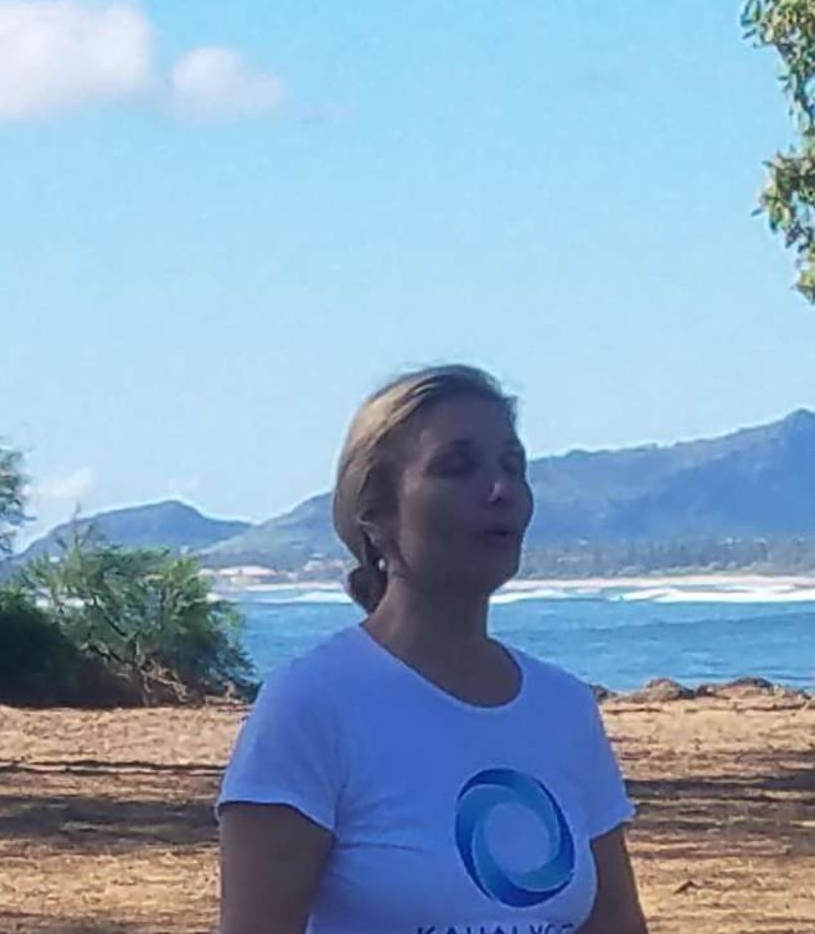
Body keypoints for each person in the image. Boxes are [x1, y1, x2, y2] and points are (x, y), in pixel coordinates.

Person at [217, 365, 648, 934]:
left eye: (512, 466)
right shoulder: (312, 704)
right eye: (457, 467)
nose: (500, 490)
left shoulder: (563, 708)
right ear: (376, 515)